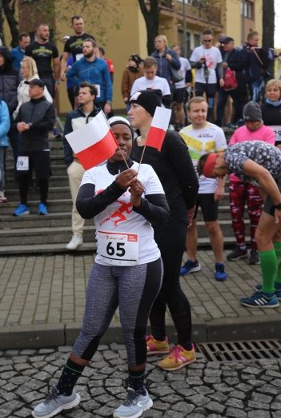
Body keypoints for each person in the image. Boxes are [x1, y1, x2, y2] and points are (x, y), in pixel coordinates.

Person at [31, 116, 168, 418]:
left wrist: (139, 202)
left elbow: (163, 216)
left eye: (126, 136)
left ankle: (138, 393)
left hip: (141, 264)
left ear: (133, 141)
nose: (120, 142)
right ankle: (65, 391)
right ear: (105, 140)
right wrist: (116, 189)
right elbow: (84, 207)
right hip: (105, 265)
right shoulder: (93, 172)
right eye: (114, 136)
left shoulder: (146, 170)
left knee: (133, 330)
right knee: (91, 328)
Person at [128, 90, 199, 371]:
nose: (130, 111)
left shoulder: (169, 139)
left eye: (135, 106)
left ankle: (186, 347)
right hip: (147, 221)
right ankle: (158, 338)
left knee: (169, 284)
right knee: (151, 283)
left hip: (171, 221)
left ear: (149, 111)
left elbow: (190, 181)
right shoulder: (135, 143)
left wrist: (189, 210)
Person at [199, 140, 281, 308]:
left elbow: (263, 174)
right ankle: (277, 288)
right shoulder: (233, 160)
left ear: (216, 161)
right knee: (276, 235)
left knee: (262, 237)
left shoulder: (231, 157)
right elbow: (261, 183)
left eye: (216, 174)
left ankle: (268, 295)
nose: (220, 177)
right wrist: (271, 207)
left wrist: (279, 205)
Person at [178, 97, 229, 279]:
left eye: (203, 111)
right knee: (189, 225)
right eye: (196, 111)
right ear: (188, 113)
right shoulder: (182, 133)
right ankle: (192, 261)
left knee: (212, 225)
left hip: (209, 186)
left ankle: (219, 264)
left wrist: (221, 186)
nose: (200, 114)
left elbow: (224, 162)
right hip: (189, 187)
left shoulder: (216, 132)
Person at [226, 102, 275, 265]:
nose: (250, 125)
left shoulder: (268, 132)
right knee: (235, 215)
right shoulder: (239, 131)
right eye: (247, 121)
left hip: (256, 181)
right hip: (237, 179)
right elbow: (230, 152)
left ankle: (256, 249)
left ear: (259, 119)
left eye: (253, 121)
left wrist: (245, 160)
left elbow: (267, 155)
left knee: (256, 216)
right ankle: (241, 247)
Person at [63, 83, 100, 251]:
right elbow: (66, 139)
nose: (80, 95)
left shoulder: (101, 115)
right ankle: (77, 235)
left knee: (102, 200)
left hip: (98, 165)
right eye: (79, 93)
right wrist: (67, 162)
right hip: (78, 164)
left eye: (84, 93)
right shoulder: (71, 116)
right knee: (77, 201)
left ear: (93, 96)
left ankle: (102, 234)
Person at [13, 78, 56, 216]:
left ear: (41, 89)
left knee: (42, 176)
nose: (29, 89)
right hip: (24, 148)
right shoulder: (24, 106)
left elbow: (49, 124)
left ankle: (43, 203)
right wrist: (18, 125)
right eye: (29, 87)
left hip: (40, 147)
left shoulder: (48, 106)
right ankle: (23, 204)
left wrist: (31, 126)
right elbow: (16, 122)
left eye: (33, 87)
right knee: (22, 176)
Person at [66, 39, 113, 114]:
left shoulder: (103, 63)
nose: (85, 49)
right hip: (85, 101)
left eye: (88, 47)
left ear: (94, 49)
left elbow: (108, 83)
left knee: (101, 124)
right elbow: (68, 75)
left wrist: (108, 102)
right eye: (83, 47)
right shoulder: (78, 64)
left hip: (100, 99)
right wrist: (80, 84)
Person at [59, 15, 95, 107]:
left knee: (93, 99)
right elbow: (64, 58)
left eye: (81, 24)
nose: (79, 26)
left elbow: (96, 54)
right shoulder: (69, 41)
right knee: (78, 102)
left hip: (90, 72)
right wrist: (62, 71)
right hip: (77, 75)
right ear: (72, 26)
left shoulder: (90, 38)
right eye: (77, 24)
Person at [189, 29, 223, 121]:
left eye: (209, 40)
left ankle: (210, 119)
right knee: (198, 100)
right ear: (202, 40)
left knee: (211, 100)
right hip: (199, 79)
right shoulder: (197, 50)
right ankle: (197, 119)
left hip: (212, 79)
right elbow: (191, 65)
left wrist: (221, 78)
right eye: (205, 40)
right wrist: (199, 63)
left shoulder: (216, 51)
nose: (207, 43)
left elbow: (219, 66)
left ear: (212, 39)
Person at [25, 23, 60, 100]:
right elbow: (26, 65)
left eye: (48, 31)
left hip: (48, 77)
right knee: (35, 99)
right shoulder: (30, 47)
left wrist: (57, 81)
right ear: (38, 32)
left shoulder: (52, 47)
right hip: (35, 77)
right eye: (44, 30)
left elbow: (56, 65)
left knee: (50, 100)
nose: (47, 33)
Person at [222, 36, 250, 127]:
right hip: (225, 81)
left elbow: (241, 65)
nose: (224, 46)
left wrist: (228, 65)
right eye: (223, 44)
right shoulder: (222, 53)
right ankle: (232, 120)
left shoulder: (238, 53)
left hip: (237, 81)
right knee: (228, 102)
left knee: (239, 101)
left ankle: (241, 119)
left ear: (232, 44)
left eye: (226, 44)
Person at [243, 31, 272, 102]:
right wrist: (249, 52)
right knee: (254, 97)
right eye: (255, 40)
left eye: (258, 40)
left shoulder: (259, 50)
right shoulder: (245, 50)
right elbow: (244, 63)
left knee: (261, 97)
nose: (257, 42)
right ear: (250, 40)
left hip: (260, 77)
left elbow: (265, 63)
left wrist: (267, 52)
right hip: (252, 78)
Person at [172, 44, 191, 128]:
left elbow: (188, 72)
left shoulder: (184, 61)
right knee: (172, 105)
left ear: (180, 51)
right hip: (172, 85)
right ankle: (174, 122)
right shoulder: (170, 60)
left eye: (177, 50)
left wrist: (188, 82)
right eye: (174, 50)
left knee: (180, 105)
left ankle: (181, 123)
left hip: (181, 85)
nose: (175, 52)